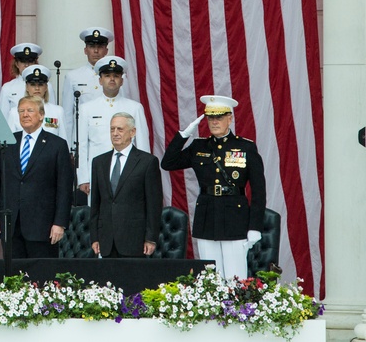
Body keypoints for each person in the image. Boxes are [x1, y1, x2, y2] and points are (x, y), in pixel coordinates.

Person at [161, 95, 266, 280]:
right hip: (207, 216)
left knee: (235, 277)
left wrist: (254, 226)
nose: (214, 121)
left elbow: (259, 192)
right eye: (210, 117)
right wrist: (183, 135)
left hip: (235, 217)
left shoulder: (245, 147)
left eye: (219, 117)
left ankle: (235, 309)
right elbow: (168, 163)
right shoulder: (199, 146)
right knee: (211, 277)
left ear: (230, 119)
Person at [0, 95, 72, 258]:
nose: (25, 114)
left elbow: (64, 189)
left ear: (41, 115)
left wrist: (59, 223)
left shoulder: (57, 145)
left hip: (43, 227)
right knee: (13, 278)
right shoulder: (6, 143)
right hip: (11, 225)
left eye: (30, 110)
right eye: (21, 111)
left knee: (42, 277)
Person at [89, 112, 163, 257]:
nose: (115, 133)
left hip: (134, 240)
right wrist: (95, 237)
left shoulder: (147, 162)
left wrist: (151, 238)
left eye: (120, 129)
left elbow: (154, 204)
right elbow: (96, 203)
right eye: (112, 129)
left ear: (132, 132)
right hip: (106, 240)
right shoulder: (99, 162)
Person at [76, 56, 150, 196]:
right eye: (107, 76)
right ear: (100, 80)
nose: (111, 79)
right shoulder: (87, 108)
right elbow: (82, 146)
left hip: (128, 173)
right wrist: (83, 178)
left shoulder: (135, 108)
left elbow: (142, 145)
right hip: (97, 173)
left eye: (116, 76)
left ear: (121, 81)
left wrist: (142, 174)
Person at [6, 65, 70, 147]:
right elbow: (10, 144)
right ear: (27, 87)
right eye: (33, 84)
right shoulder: (15, 112)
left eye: (40, 84)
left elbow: (63, 141)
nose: (37, 88)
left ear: (46, 87)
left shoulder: (57, 111)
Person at [61, 27, 116, 122]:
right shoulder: (72, 77)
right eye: (92, 47)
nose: (96, 51)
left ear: (106, 51)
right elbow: (67, 114)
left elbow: (123, 108)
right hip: (82, 131)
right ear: (85, 50)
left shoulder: (118, 77)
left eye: (100, 47)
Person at [0, 43, 43, 116]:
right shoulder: (8, 88)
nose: (26, 65)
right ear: (16, 63)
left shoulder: (46, 86)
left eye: (30, 61)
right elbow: (4, 117)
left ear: (35, 62)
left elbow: (51, 112)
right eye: (23, 61)